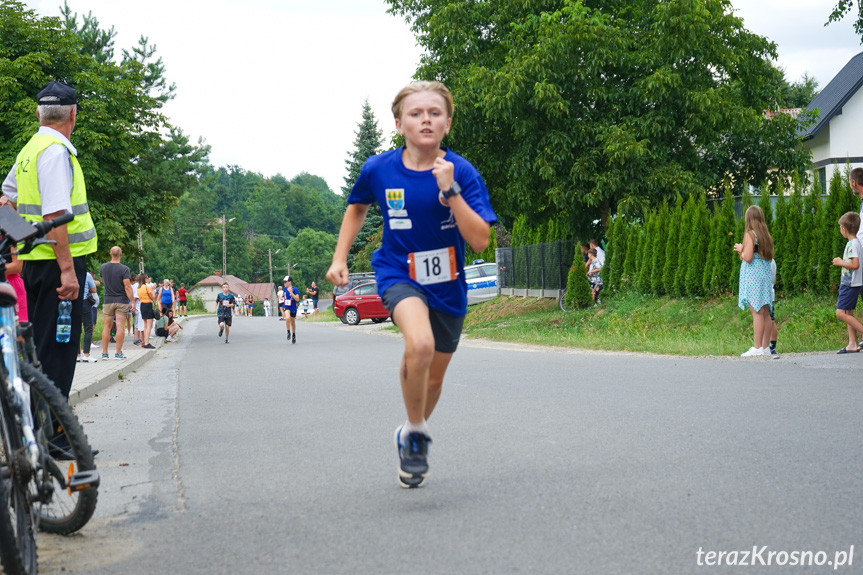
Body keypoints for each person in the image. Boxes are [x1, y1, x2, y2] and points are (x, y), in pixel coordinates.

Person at [326, 81, 497, 488]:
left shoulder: (462, 172)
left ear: (447, 124)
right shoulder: (379, 168)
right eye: (416, 113)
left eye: (434, 113)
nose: (426, 119)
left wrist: (450, 190)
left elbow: (479, 240)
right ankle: (418, 436)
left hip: (448, 282)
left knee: (433, 379)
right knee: (417, 344)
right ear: (400, 123)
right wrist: (339, 257)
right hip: (398, 271)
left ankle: (409, 429)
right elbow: (357, 208)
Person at [1, 81, 98, 401]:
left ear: (38, 113)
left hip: (35, 263)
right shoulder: (57, 152)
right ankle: (54, 439)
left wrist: (22, 236)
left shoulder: (29, 150)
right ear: (73, 114)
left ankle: (41, 435)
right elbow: (56, 214)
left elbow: (5, 200)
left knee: (43, 347)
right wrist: (68, 270)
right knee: (58, 350)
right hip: (59, 267)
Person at [734, 205, 774, 357]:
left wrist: (741, 249)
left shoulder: (750, 235)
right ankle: (765, 347)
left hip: (754, 276)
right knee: (765, 312)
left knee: (756, 311)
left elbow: (748, 256)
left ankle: (757, 347)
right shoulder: (765, 235)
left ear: (748, 219)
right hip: (764, 274)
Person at [831, 212, 863, 353]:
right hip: (854, 283)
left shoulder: (852, 245)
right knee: (848, 312)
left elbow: (855, 265)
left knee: (840, 313)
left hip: (849, 284)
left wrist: (841, 262)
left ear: (844, 229)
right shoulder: (857, 243)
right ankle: (852, 344)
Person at [100, 246, 134, 359]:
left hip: (108, 300)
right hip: (121, 301)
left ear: (110, 254)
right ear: (121, 254)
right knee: (120, 327)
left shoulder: (103, 267)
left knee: (107, 327)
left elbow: (102, 280)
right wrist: (132, 301)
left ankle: (104, 353)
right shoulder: (124, 269)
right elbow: (127, 287)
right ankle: (118, 353)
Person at [76, 268, 98, 363]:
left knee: (76, 329)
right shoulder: (86, 275)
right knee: (88, 328)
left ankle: (77, 355)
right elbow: (94, 289)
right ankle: (86, 354)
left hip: (73, 302)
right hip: (84, 302)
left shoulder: (68, 273)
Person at [137, 273, 157, 349]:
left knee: (145, 325)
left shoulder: (138, 288)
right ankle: (147, 342)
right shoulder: (147, 287)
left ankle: (145, 341)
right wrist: (153, 289)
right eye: (146, 278)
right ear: (144, 279)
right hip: (148, 305)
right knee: (149, 326)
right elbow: (152, 297)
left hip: (142, 305)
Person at [282, 276, 299, 343]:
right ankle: (288, 332)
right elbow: (285, 294)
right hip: (286, 306)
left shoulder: (295, 289)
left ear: (290, 282)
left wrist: (291, 293)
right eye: (284, 282)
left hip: (293, 307)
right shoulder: (284, 289)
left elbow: (297, 299)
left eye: (286, 282)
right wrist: (282, 296)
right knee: (287, 317)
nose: (284, 283)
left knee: (292, 322)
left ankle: (294, 334)